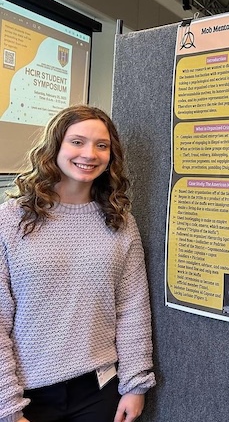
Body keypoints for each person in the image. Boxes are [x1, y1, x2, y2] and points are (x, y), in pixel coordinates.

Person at [0, 105, 155, 422]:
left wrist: (135, 385)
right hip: (27, 395)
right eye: (77, 142)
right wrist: (7, 406)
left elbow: (133, 307)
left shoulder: (121, 223)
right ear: (54, 147)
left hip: (99, 391)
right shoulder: (11, 220)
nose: (90, 154)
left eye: (102, 145)